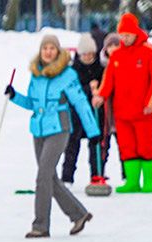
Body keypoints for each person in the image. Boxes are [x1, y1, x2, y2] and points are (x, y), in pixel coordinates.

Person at [6, 34, 98, 238]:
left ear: (58, 51)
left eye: (52, 48)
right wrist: (14, 96)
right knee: (50, 178)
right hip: (39, 130)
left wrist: (92, 131)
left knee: (42, 176)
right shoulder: (36, 75)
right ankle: (79, 215)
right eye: (45, 48)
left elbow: (81, 102)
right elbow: (32, 103)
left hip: (59, 128)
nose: (48, 52)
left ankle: (40, 225)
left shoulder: (67, 75)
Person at [93, 13, 152, 193]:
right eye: (122, 35)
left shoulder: (150, 51)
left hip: (144, 111)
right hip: (122, 111)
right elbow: (108, 80)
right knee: (127, 147)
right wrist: (100, 95)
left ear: (135, 32)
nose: (124, 38)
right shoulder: (117, 55)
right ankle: (132, 181)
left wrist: (150, 102)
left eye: (127, 35)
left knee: (145, 146)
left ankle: (147, 182)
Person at [62, 32, 106, 184]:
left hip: (95, 113)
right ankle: (67, 177)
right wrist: (89, 88)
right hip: (76, 114)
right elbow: (71, 91)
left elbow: (107, 86)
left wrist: (99, 92)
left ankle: (97, 175)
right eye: (84, 54)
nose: (87, 57)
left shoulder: (100, 69)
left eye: (90, 53)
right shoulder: (72, 70)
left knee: (96, 144)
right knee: (72, 145)